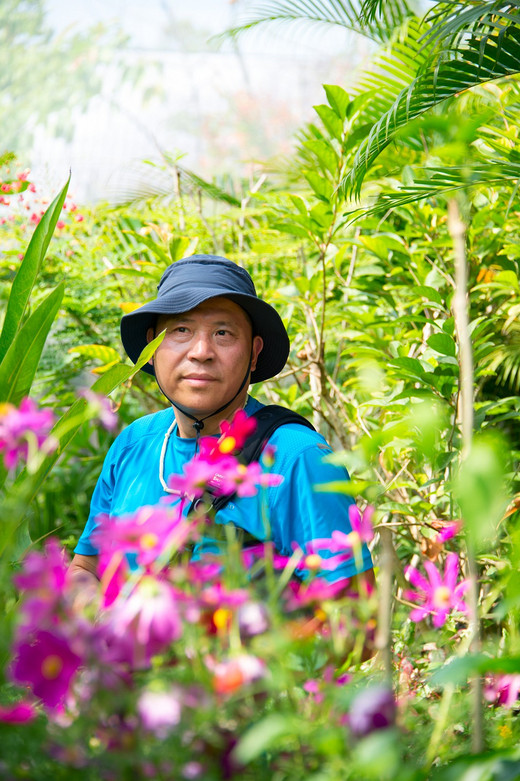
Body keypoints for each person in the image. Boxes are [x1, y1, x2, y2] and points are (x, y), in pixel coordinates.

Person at [68, 254, 373, 591]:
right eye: (181, 329)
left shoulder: (297, 458)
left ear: (254, 353)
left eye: (223, 333)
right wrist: (93, 610)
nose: (201, 351)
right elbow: (88, 566)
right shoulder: (134, 443)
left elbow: (357, 617)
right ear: (152, 348)